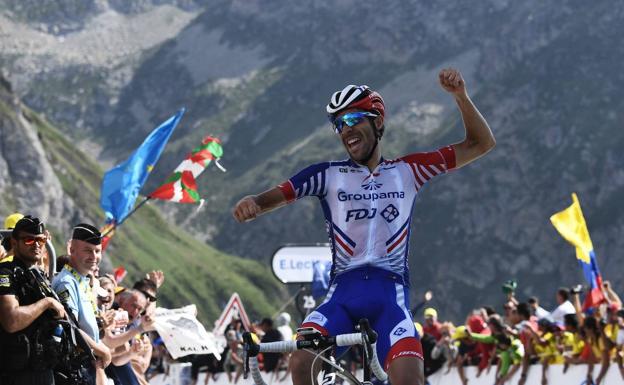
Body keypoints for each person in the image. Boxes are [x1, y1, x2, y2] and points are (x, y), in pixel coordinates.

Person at [233, 68, 495, 385]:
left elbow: (481, 143)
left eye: (353, 119)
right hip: (342, 298)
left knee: (409, 380)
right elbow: (275, 196)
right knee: (301, 361)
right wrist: (254, 202)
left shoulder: (409, 170)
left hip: (391, 299)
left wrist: (460, 97)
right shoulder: (327, 175)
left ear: (378, 121)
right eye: (338, 125)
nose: (345, 130)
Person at [0, 216, 66, 385]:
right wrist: (47, 303)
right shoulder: (6, 273)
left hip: (43, 367)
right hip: (17, 373)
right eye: (29, 240)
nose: (36, 245)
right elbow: (11, 320)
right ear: (14, 243)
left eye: (41, 240)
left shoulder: (38, 275)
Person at [52, 223, 112, 384]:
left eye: (97, 251)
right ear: (72, 250)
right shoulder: (67, 283)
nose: (94, 256)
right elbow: (70, 326)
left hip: (86, 364)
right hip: (74, 366)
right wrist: (102, 350)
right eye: (87, 250)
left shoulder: (81, 280)